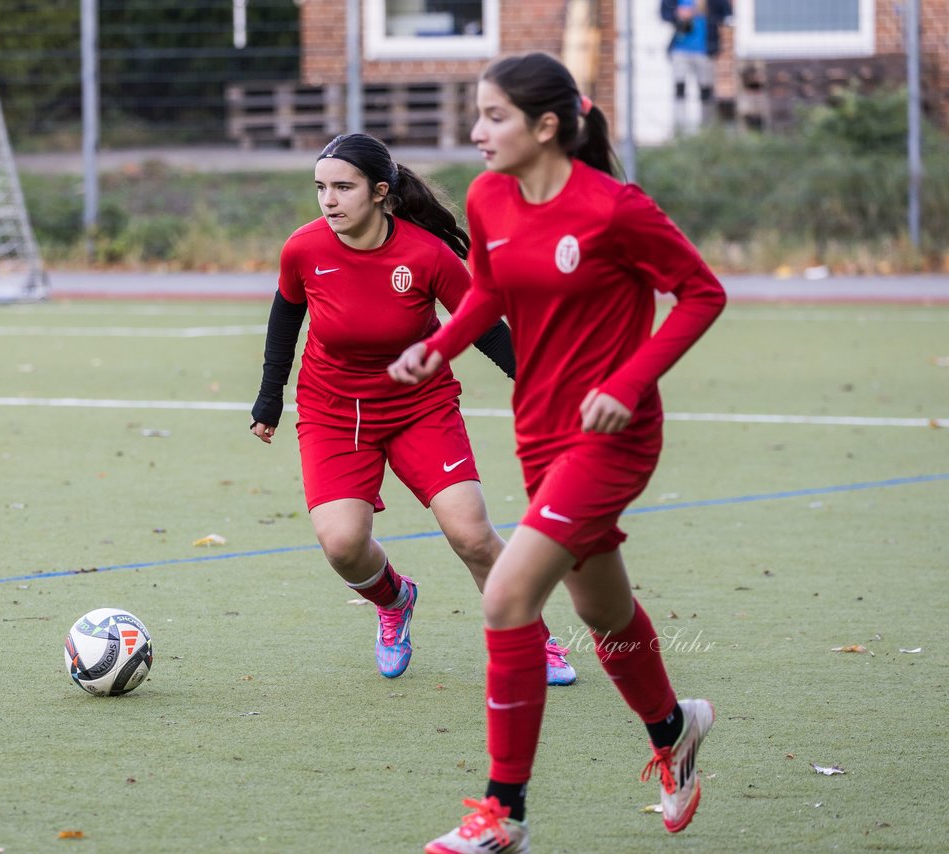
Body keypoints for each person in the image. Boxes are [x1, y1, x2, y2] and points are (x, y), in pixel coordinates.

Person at [388, 53, 726, 853]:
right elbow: (490, 295)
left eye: (493, 116)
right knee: (599, 608)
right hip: (538, 430)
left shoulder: (616, 209)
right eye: (477, 114)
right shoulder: (489, 195)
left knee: (507, 599)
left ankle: (506, 814)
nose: (476, 132)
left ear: (546, 127)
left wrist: (632, 378)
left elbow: (702, 292)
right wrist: (439, 347)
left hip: (612, 437)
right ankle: (674, 729)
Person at [250, 132, 577, 685]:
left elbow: (485, 328)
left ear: (380, 192)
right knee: (343, 546)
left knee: (472, 534)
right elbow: (285, 320)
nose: (329, 200)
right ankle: (395, 600)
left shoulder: (427, 254)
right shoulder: (303, 249)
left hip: (419, 406)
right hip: (334, 413)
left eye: (343, 188)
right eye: (321, 188)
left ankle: (532, 639)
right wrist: (269, 396)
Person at [662, 0, 731, 134]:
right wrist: (678, 15)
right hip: (679, 50)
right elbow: (664, 14)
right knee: (679, 88)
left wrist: (707, 14)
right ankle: (681, 130)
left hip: (704, 50)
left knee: (706, 91)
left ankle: (708, 131)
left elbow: (727, 14)